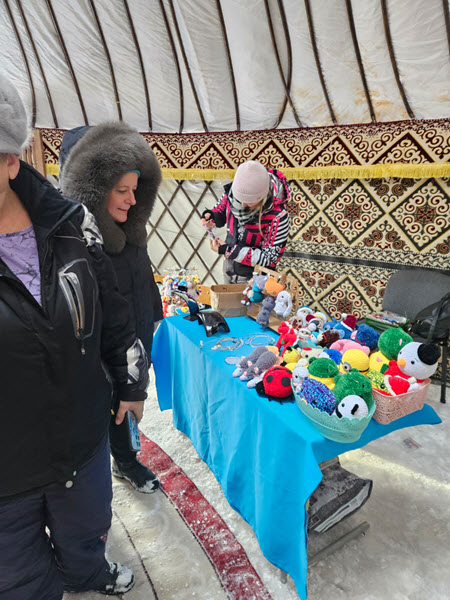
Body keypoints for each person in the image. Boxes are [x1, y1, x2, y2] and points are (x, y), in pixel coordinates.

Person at [0, 75, 149, 598]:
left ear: (10, 161)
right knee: (18, 576)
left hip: (80, 437)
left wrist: (130, 383)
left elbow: (113, 310)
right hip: (6, 469)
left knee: (86, 531)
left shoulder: (71, 223)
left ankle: (88, 573)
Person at [59, 121, 163, 493]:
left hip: (135, 338)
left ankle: (127, 461)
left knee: (128, 410)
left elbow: (143, 278)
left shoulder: (131, 229)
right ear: (93, 189)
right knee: (100, 419)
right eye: (122, 190)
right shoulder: (72, 244)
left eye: (135, 190)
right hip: (97, 357)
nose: (132, 200)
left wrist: (154, 314)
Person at [200, 160, 290, 283]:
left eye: (249, 202)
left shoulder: (278, 215)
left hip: (256, 280)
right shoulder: (231, 194)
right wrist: (210, 217)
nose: (242, 204)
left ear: (262, 197)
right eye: (239, 199)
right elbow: (220, 210)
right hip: (229, 269)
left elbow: (269, 258)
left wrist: (230, 251)